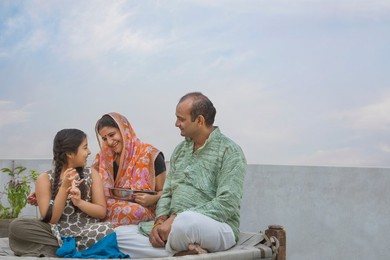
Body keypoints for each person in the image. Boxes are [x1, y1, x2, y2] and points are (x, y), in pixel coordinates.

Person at [115, 92, 247, 258]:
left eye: (181, 119)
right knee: (119, 235)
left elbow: (228, 203)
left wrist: (176, 218)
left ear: (199, 120)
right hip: (171, 228)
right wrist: (160, 221)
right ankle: (181, 253)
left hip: (214, 226)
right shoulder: (179, 151)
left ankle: (175, 249)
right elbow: (167, 192)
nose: (176, 123)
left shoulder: (230, 151)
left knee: (186, 224)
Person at [8, 129, 124, 257]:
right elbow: (51, 219)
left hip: (87, 231)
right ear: (69, 153)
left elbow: (101, 212)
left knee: (106, 230)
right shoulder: (45, 179)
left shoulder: (92, 174)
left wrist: (79, 202)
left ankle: (62, 249)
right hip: (55, 232)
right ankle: (72, 248)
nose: (89, 152)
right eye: (85, 148)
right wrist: (64, 188)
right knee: (17, 226)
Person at [92, 112, 166, 226]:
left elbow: (165, 192)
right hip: (108, 205)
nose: (110, 142)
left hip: (141, 208)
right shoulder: (102, 158)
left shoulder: (151, 155)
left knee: (135, 212)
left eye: (112, 135)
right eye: (104, 138)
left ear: (124, 130)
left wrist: (153, 198)